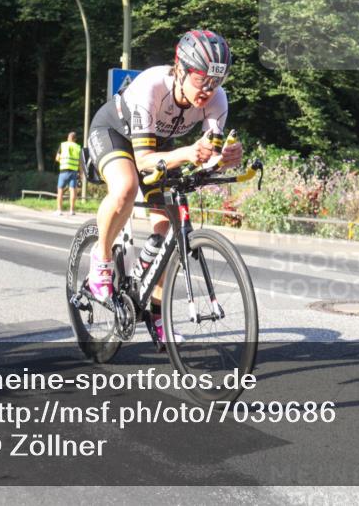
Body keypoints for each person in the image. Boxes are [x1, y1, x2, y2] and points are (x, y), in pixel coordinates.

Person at [86, 30, 243, 343]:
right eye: (201, 80)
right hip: (113, 133)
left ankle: (155, 313)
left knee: (171, 231)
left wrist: (225, 159)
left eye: (217, 81)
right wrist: (187, 153)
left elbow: (207, 156)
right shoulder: (153, 84)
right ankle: (100, 259)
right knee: (126, 187)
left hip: (159, 144)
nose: (209, 90)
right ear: (181, 69)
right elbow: (143, 160)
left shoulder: (217, 100)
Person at [55, 131, 82, 216]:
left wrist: (63, 161)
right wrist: (81, 173)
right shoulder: (78, 147)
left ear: (68, 138)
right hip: (73, 171)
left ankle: (59, 210)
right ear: (75, 139)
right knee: (73, 190)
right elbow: (80, 162)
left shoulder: (63, 145)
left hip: (63, 171)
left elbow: (57, 158)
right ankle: (72, 210)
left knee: (60, 190)